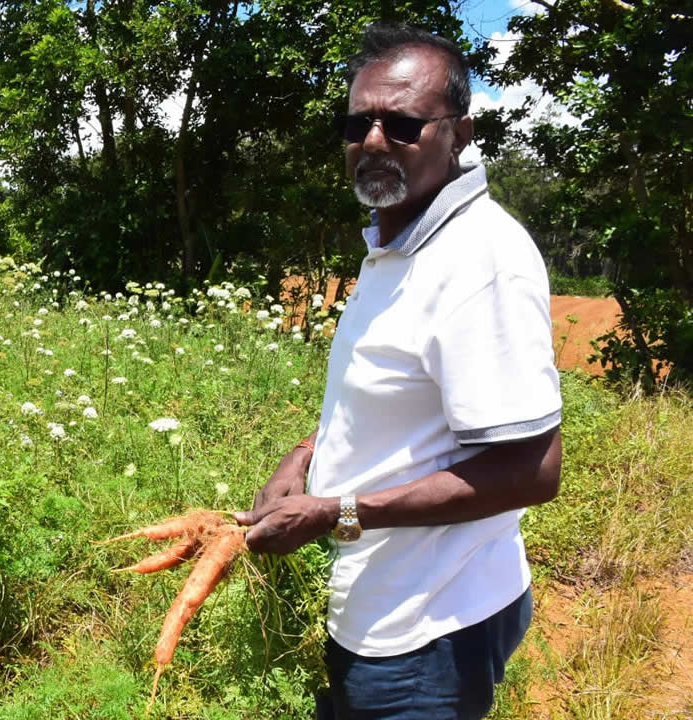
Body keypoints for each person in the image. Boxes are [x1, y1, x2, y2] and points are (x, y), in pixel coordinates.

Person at [233, 22, 563, 720]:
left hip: (430, 631)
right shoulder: (395, 237)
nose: (374, 142)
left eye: (403, 125)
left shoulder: (480, 261)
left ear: (461, 133)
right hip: (380, 603)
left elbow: (533, 469)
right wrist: (304, 458)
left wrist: (336, 512)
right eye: (359, 123)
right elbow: (388, 398)